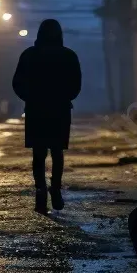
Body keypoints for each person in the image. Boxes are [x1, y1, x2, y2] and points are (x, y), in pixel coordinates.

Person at [12, 18, 82, 215]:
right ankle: (56, 188)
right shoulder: (69, 56)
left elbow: (17, 82)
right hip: (59, 110)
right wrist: (65, 97)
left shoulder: (29, 55)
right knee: (57, 152)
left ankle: (41, 190)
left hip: (36, 110)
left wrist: (30, 98)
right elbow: (76, 84)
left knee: (38, 153)